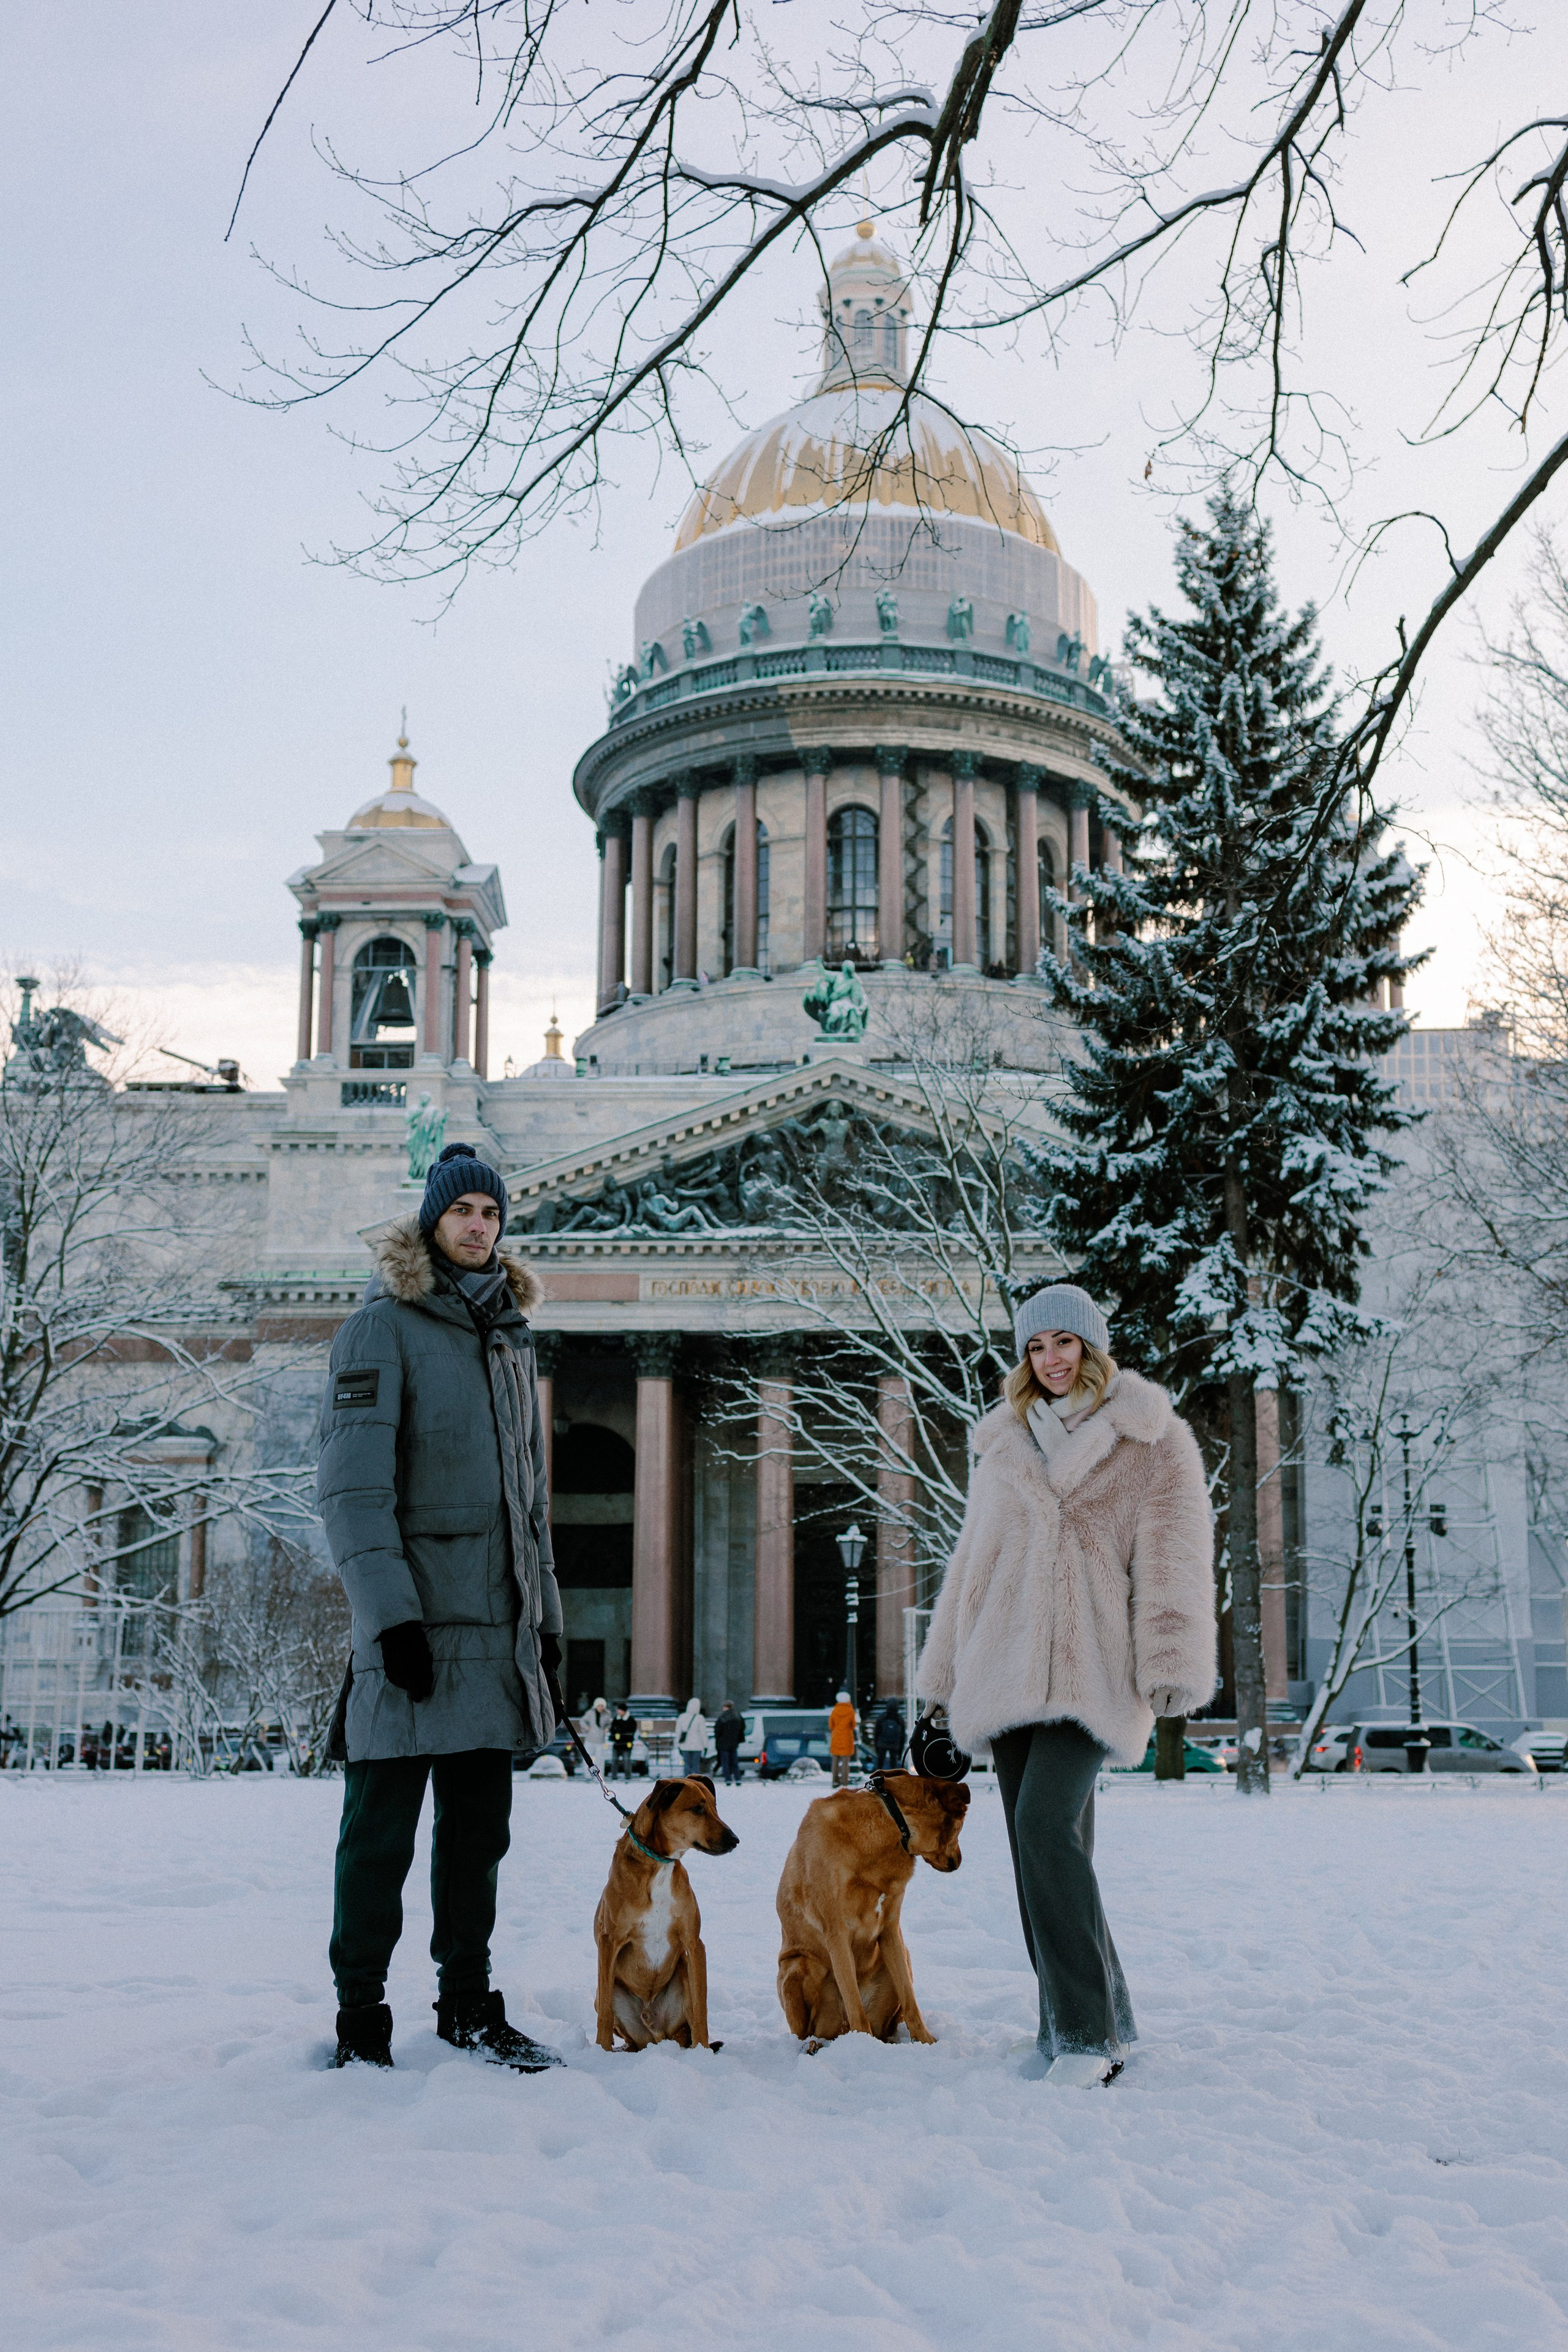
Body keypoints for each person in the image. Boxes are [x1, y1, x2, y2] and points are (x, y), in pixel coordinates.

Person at [916, 1284, 1214, 2087]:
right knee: (1037, 1846)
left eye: (1066, 1343)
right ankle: (1084, 2016)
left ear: (1093, 1349)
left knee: (1049, 1829)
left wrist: (1173, 1667)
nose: (1051, 1359)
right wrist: (939, 1685)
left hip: (1095, 1673)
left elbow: (1175, 1559)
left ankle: (1088, 2040)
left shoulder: (1150, 1439)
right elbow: (970, 1572)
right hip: (1003, 1671)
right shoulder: (1005, 1443)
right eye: (1037, 1346)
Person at [317, 1142, 563, 2075]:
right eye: (462, 1212)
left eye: (491, 1214)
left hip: (493, 1630)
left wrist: (543, 1625)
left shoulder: (506, 1337)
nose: (477, 1227)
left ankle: (468, 2003)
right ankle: (360, 2018)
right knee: (378, 1837)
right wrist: (391, 1622)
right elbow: (352, 1492)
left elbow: (527, 1501)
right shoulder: (381, 1328)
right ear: (433, 1222)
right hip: (414, 1628)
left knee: (477, 1839)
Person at [828, 1689, 858, 1788]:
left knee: (835, 1761)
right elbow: (853, 1725)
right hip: (847, 1737)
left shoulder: (834, 1711)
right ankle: (844, 1781)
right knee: (846, 1762)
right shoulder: (851, 1711)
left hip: (836, 1737)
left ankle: (835, 1781)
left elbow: (831, 1725)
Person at [675, 1694, 708, 1779]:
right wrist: (705, 1746)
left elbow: (678, 1732)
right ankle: (695, 1781)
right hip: (697, 1746)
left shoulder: (682, 1717)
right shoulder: (700, 1718)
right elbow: (703, 1733)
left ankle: (686, 1780)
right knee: (695, 1766)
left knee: (687, 1765)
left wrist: (677, 1745)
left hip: (685, 1745)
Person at [712, 1700, 745, 1784]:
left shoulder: (723, 1717)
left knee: (725, 1763)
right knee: (734, 1762)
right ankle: (738, 1779)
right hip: (734, 1743)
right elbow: (743, 1728)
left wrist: (719, 1739)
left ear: (726, 1707)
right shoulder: (738, 1716)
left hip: (723, 1743)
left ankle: (728, 1779)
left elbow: (717, 1730)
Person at [873, 1696, 905, 1771]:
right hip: (895, 1745)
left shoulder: (882, 1717)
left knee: (880, 1763)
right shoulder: (899, 1719)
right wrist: (900, 1752)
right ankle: (893, 1778)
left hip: (882, 1743)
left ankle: (878, 1776)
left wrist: (877, 1747)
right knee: (893, 1764)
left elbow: (876, 1733)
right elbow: (903, 1736)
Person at [607, 1701, 637, 1780]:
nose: (618, 1712)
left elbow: (632, 1731)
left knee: (627, 1760)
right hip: (617, 1745)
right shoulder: (616, 1720)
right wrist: (614, 1737)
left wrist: (621, 1736)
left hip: (626, 1744)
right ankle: (614, 1776)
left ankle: (628, 1776)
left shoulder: (631, 1720)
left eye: (619, 1710)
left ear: (624, 1711)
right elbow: (612, 1730)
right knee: (614, 1761)